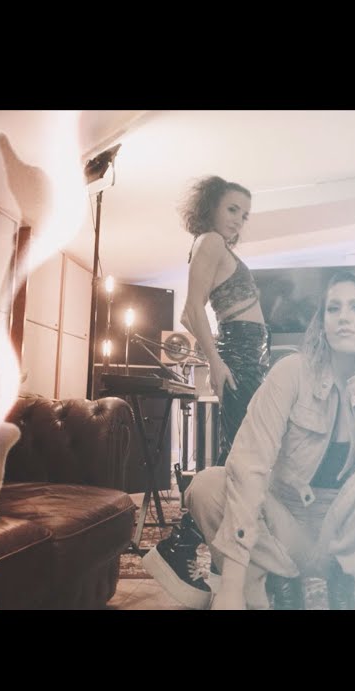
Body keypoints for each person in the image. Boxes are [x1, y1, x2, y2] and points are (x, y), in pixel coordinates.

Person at [179, 271, 355, 610]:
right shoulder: (291, 371)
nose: (343, 317)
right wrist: (231, 584)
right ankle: (279, 578)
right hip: (285, 526)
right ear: (322, 322)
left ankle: (342, 581)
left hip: (342, 531)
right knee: (207, 485)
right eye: (333, 308)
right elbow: (249, 462)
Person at [141, 176, 272, 608]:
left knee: (235, 457)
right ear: (212, 206)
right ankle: (180, 549)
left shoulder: (218, 247)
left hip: (246, 358)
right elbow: (190, 309)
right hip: (238, 357)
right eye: (232, 209)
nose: (238, 220)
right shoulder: (210, 241)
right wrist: (216, 362)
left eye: (245, 215)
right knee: (242, 460)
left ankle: (204, 556)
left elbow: (194, 312)